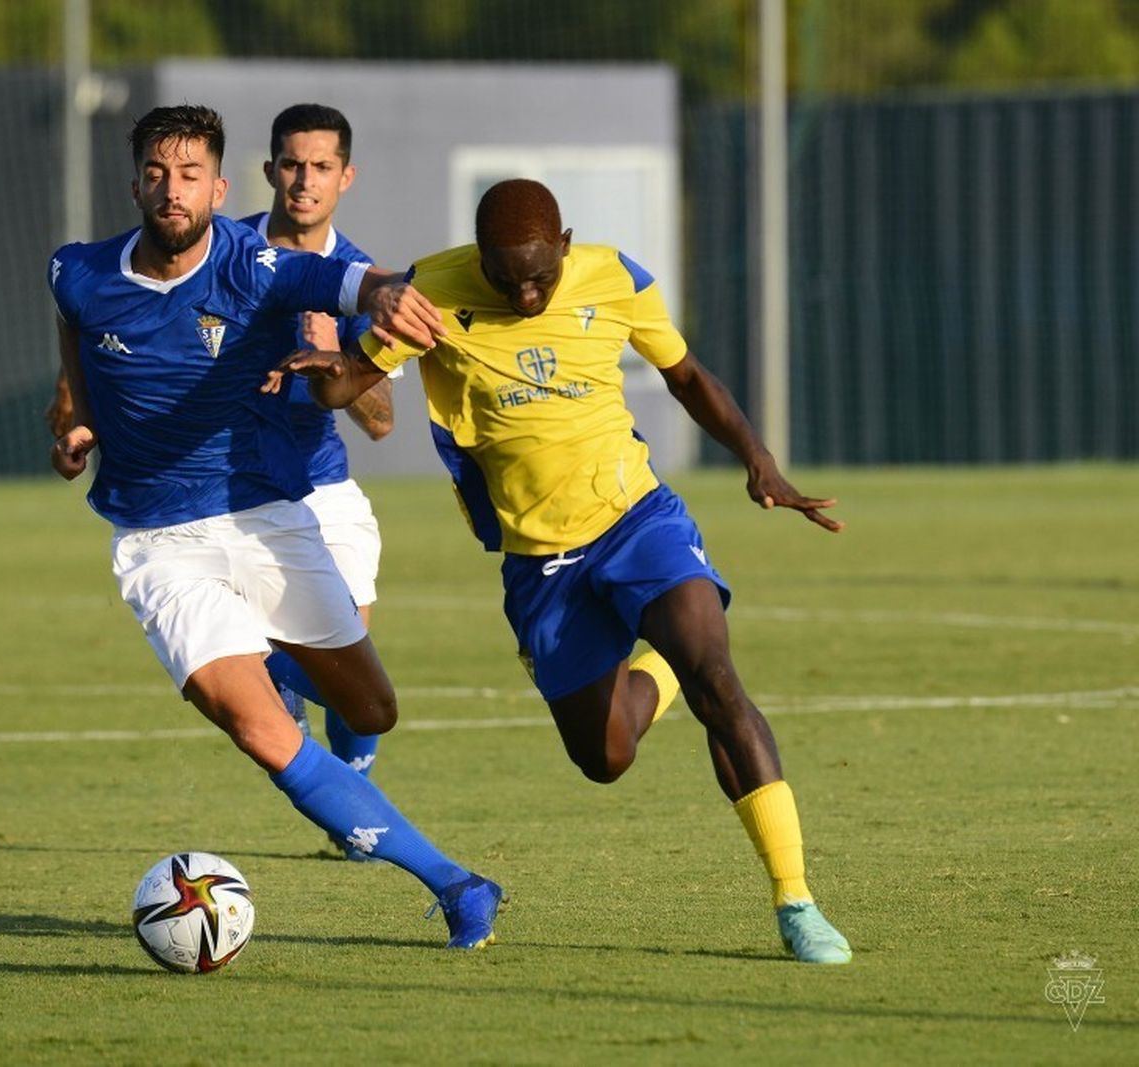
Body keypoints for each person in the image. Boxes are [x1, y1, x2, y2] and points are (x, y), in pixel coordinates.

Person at [265, 178, 853, 964]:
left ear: (566, 245)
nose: (529, 292)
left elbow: (686, 376)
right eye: (509, 279)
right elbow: (351, 386)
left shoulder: (618, 277)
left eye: (542, 274)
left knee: (720, 680)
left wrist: (758, 459)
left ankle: (796, 898)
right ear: (482, 260)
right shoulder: (430, 291)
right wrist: (328, 366)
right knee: (605, 757)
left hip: (639, 519)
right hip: (541, 563)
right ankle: (662, 665)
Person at [44, 104, 501, 949]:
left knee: (371, 708)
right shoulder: (77, 271)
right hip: (159, 544)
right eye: (156, 172)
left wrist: (391, 296)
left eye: (189, 176)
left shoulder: (255, 266)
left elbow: (354, 283)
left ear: (219, 188)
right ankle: (459, 884)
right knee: (263, 730)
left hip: (269, 519)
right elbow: (77, 345)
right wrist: (75, 418)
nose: (171, 190)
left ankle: (267, 659)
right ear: (135, 178)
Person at [241, 103, 398, 860]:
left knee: (353, 664)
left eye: (321, 167)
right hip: (232, 491)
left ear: (346, 177)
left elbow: (380, 419)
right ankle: (339, 797)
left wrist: (341, 358)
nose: (305, 181)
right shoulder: (225, 252)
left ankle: (352, 790)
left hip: (321, 487)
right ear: (270, 170)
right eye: (292, 165)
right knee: (264, 672)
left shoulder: (363, 280)